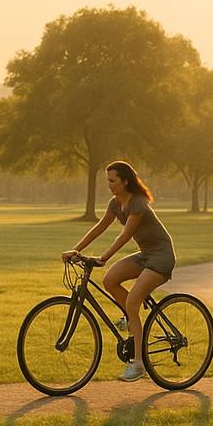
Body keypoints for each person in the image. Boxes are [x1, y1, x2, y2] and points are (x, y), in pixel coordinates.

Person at [62, 160, 177, 381]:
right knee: (110, 280)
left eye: (113, 180)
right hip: (145, 255)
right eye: (108, 180)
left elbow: (124, 235)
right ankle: (131, 317)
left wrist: (103, 257)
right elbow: (99, 227)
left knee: (133, 302)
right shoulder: (115, 203)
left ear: (125, 181)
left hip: (161, 257)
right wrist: (76, 249)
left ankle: (138, 364)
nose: (109, 185)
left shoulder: (139, 203)